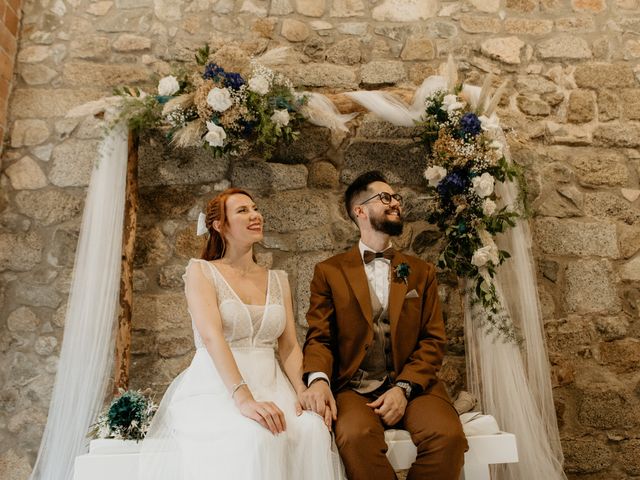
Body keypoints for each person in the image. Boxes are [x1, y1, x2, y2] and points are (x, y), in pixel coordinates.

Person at [139, 188, 343, 480]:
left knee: (312, 429)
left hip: (273, 385)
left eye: (255, 208)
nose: (255, 215)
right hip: (219, 388)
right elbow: (212, 338)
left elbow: (289, 347)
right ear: (219, 226)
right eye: (242, 211)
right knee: (257, 437)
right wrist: (244, 399)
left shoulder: (278, 279)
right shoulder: (201, 272)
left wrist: (303, 391)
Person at [299, 171, 467, 480]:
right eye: (385, 198)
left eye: (396, 198)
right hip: (356, 388)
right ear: (359, 210)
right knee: (353, 437)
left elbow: (433, 339)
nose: (395, 204)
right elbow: (319, 337)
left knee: (448, 437)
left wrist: (403, 388)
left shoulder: (420, 271)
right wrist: (318, 379)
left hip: (416, 388)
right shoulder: (329, 272)